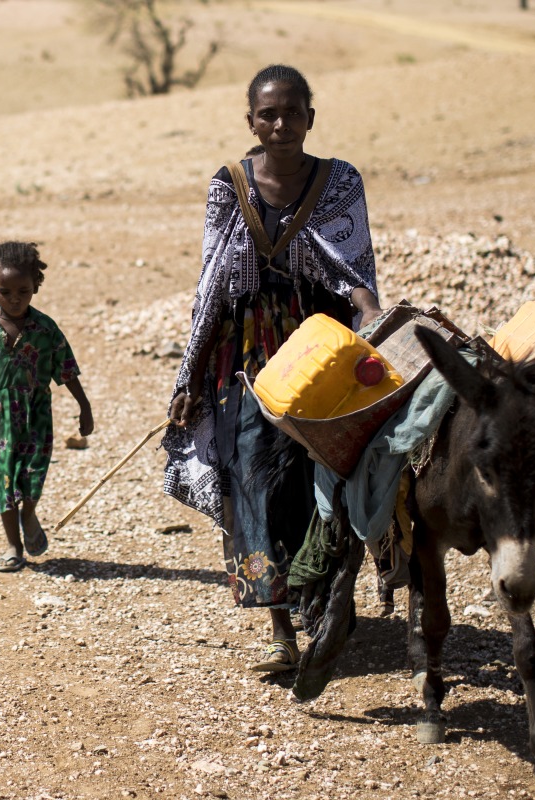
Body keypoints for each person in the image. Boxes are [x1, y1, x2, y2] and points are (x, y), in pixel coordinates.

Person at [161, 65, 383, 673]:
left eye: (292, 112)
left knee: (330, 470)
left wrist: (376, 324)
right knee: (252, 478)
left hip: (322, 341)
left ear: (312, 117)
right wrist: (190, 377)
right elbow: (211, 284)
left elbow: (356, 271)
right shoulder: (229, 185)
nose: (281, 124)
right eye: (268, 114)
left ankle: (327, 597)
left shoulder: (340, 182)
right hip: (248, 354)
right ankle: (280, 625)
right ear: (250, 122)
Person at [0, 241, 96, 572]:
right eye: (6, 291)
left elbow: (67, 370)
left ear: (36, 288)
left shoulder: (45, 330)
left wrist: (84, 407)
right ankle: (13, 546)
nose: (15, 299)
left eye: (23, 291)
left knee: (32, 475)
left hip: (34, 417)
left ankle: (29, 513)